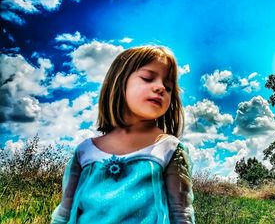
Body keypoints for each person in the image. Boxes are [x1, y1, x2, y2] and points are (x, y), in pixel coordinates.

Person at [51, 46, 195, 224]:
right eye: (147, 78)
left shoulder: (170, 149)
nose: (160, 88)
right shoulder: (85, 151)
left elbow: (181, 214)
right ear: (119, 82)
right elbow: (64, 213)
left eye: (169, 86)